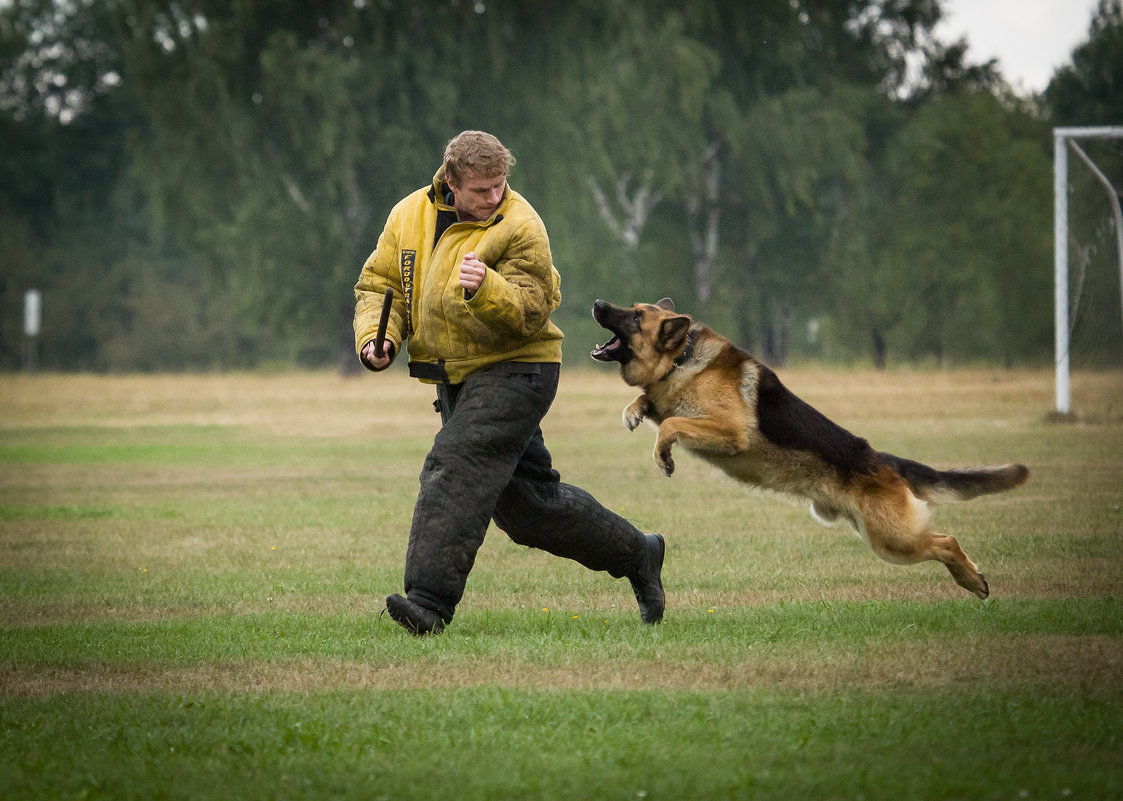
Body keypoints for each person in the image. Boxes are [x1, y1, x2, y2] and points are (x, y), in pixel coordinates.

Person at [353, 130, 665, 635]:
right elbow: (379, 285)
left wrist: (486, 288)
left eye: (500, 185)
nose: (494, 197)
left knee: (454, 462)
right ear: (451, 182)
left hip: (520, 369)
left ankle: (428, 604)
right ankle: (640, 554)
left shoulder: (521, 224)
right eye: (481, 190)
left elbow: (531, 309)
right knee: (530, 512)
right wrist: (378, 337)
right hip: (458, 376)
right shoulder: (408, 215)